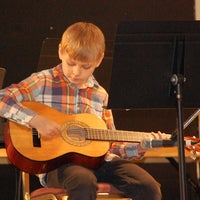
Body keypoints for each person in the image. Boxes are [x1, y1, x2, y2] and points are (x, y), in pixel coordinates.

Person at [0, 22, 162, 200]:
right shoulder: (42, 81)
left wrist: (140, 146)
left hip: (99, 163)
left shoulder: (100, 95)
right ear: (61, 51)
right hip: (58, 165)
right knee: (83, 181)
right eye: (71, 63)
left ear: (99, 60)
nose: (76, 72)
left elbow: (111, 143)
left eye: (86, 67)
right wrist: (35, 120)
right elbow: (2, 99)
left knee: (149, 186)